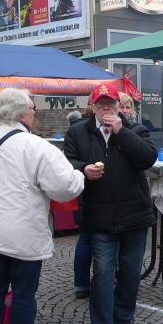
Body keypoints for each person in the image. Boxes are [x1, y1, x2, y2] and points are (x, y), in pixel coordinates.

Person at [0, 88, 84, 324]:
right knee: (23, 296)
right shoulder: (35, 145)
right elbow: (64, 187)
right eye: (33, 108)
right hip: (23, 232)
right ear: (23, 113)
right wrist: (81, 176)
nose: (34, 112)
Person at [64, 83, 157, 324]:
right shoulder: (78, 131)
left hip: (135, 216)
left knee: (129, 274)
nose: (107, 109)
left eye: (111, 104)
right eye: (101, 104)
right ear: (93, 107)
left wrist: (121, 132)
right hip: (99, 217)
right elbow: (66, 162)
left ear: (119, 106)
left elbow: (148, 158)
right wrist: (83, 169)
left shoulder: (134, 129)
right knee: (103, 277)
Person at [65, 111, 91, 299]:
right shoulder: (84, 131)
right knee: (89, 239)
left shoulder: (73, 132)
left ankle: (81, 284)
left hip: (83, 192)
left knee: (85, 238)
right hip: (91, 192)